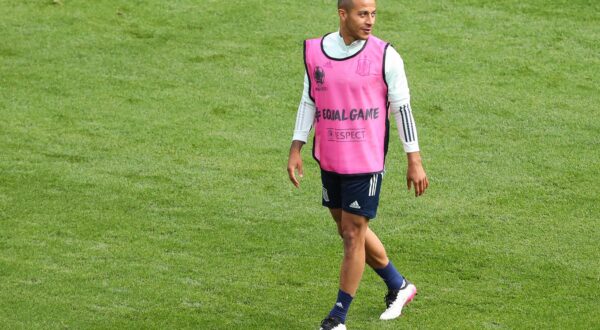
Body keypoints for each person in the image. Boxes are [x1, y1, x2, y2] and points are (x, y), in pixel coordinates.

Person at [287, 0, 429, 329]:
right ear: (343, 14)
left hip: (365, 161)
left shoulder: (385, 56)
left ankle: (337, 317)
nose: (370, 21)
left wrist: (415, 160)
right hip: (330, 157)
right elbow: (309, 99)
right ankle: (399, 285)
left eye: (373, 14)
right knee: (348, 228)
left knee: (352, 234)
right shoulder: (316, 52)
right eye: (363, 14)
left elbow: (402, 108)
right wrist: (297, 146)